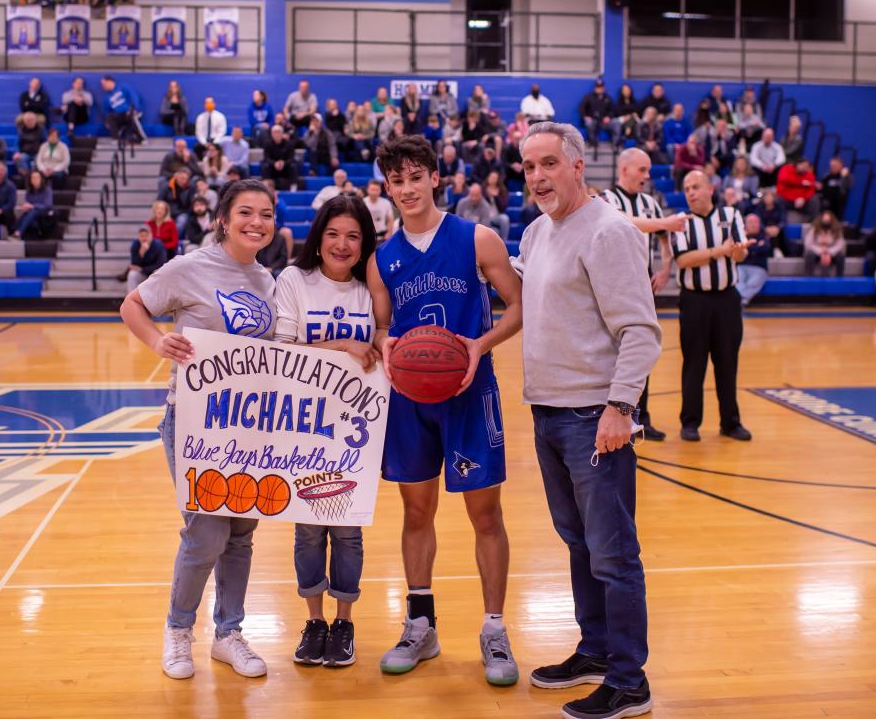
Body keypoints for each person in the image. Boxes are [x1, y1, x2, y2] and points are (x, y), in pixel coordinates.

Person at [514, 121, 660, 719]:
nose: (538, 177)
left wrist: (620, 407)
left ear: (577, 166)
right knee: (579, 544)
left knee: (614, 552)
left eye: (549, 163)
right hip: (547, 411)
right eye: (529, 167)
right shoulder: (535, 232)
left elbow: (640, 331)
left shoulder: (609, 231)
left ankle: (630, 680)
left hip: (593, 415)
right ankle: (597, 650)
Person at [367, 135, 523, 686]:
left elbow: (519, 307)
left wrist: (479, 345)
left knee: (485, 516)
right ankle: (421, 624)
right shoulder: (382, 258)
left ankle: (495, 629)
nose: (407, 190)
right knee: (416, 513)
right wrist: (386, 343)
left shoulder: (477, 239)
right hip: (411, 400)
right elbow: (383, 326)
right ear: (387, 189)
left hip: (470, 392)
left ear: (436, 177)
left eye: (415, 177)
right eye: (396, 181)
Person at [120, 179, 277, 682]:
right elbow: (133, 305)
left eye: (267, 214)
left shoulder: (270, 281)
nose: (257, 222)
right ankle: (177, 629)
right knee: (205, 530)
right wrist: (157, 340)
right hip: (192, 419)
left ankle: (228, 634)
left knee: (241, 532)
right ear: (223, 220)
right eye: (246, 213)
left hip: (251, 423)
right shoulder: (191, 266)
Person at [273, 194, 379, 667]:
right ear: (318, 238)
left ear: (364, 243)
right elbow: (284, 353)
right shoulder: (294, 280)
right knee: (310, 531)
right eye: (333, 233)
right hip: (304, 429)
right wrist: (344, 345)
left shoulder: (370, 287)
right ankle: (314, 621)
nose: (342, 244)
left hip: (356, 430)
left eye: (353, 236)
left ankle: (344, 623)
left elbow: (381, 347)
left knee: (349, 533)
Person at [601, 147, 684, 442]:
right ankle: (613, 413)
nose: (648, 176)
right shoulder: (606, 200)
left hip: (642, 288)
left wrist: (665, 268)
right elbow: (627, 223)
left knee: (641, 352)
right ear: (624, 170)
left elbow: (665, 239)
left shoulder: (651, 202)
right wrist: (666, 223)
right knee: (615, 354)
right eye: (643, 170)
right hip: (612, 287)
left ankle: (642, 416)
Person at [673, 171, 754, 442]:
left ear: (710, 188)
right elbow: (684, 260)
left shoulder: (731, 216)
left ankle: (730, 423)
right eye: (687, 188)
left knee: (728, 362)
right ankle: (690, 423)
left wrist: (739, 250)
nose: (691, 192)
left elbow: (740, 253)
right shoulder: (682, 222)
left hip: (727, 300)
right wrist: (720, 251)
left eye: (696, 186)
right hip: (694, 301)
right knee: (694, 363)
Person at [100, 75, 146, 144]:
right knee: (110, 118)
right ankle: (116, 139)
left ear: (110, 81)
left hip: (130, 112)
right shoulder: (107, 98)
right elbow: (107, 112)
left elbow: (134, 97)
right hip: (119, 116)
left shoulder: (123, 87)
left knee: (131, 115)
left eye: (104, 84)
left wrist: (135, 108)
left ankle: (143, 139)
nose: (103, 86)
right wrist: (107, 120)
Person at [736, 213, 770, 306]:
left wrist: (747, 249)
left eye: (755, 222)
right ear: (745, 224)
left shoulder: (764, 236)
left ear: (760, 224)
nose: (753, 224)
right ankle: (743, 299)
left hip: (759, 267)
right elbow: (736, 250)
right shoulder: (739, 236)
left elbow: (765, 249)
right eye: (750, 222)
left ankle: (740, 299)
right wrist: (755, 248)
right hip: (741, 266)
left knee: (754, 282)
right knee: (737, 280)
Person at [12, 169, 54, 240]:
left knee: (33, 211)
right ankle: (16, 230)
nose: (35, 180)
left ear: (41, 179)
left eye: (37, 178)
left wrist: (33, 206)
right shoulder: (29, 192)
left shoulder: (47, 190)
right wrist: (26, 206)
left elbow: (48, 205)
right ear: (30, 180)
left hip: (46, 212)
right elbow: (29, 203)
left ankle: (18, 232)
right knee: (30, 213)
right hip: (33, 213)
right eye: (33, 178)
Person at [125, 226, 167, 292]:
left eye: (146, 235)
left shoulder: (158, 245)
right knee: (132, 274)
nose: (144, 238)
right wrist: (141, 253)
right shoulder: (135, 244)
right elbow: (134, 265)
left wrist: (143, 269)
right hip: (143, 274)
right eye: (142, 236)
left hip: (153, 273)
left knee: (157, 272)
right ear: (138, 236)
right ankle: (131, 299)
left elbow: (161, 264)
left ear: (151, 235)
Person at [803, 211, 845, 276]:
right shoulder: (814, 229)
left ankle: (839, 279)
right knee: (809, 255)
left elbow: (840, 244)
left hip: (831, 252)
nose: (826, 222)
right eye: (824, 220)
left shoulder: (837, 230)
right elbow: (808, 244)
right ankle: (808, 278)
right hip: (817, 251)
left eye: (828, 220)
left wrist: (829, 252)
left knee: (840, 256)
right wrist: (821, 251)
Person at [579, 79, 617, 149]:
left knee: (616, 123)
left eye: (601, 87)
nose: (599, 89)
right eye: (598, 87)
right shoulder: (589, 97)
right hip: (593, 120)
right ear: (595, 88)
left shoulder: (608, 98)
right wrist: (585, 117)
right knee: (589, 123)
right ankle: (593, 143)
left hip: (604, 121)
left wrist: (608, 117)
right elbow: (581, 108)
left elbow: (613, 110)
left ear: (604, 88)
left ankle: (615, 144)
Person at [262, 125, 299, 191]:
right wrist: (274, 163)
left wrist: (284, 163)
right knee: (265, 165)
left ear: (282, 133)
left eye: (278, 132)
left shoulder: (289, 144)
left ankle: (293, 187)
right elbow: (266, 157)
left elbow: (291, 158)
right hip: (273, 167)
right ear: (271, 134)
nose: (276, 134)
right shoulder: (267, 144)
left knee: (294, 165)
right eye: (274, 132)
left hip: (285, 167)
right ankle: (265, 187)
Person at [159, 168, 195, 234]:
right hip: (167, 212)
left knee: (181, 221)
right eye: (182, 178)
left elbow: (191, 204)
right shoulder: (167, 186)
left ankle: (175, 239)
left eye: (186, 179)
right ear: (177, 176)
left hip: (182, 212)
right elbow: (160, 200)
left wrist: (187, 213)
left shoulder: (190, 188)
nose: (183, 180)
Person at [753, 188, 788, 257]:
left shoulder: (779, 206)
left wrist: (778, 228)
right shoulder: (759, 207)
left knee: (778, 232)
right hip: (764, 230)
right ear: (763, 198)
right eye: (766, 197)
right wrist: (765, 229)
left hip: (777, 231)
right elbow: (758, 221)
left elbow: (783, 220)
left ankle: (777, 249)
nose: (768, 199)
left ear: (773, 197)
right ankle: (772, 251)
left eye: (770, 196)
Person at [818, 156, 854, 220]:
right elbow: (821, 188)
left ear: (841, 165)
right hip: (826, 204)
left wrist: (843, 178)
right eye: (831, 165)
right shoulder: (827, 176)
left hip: (838, 205)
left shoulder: (847, 177)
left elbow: (843, 190)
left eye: (835, 165)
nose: (832, 167)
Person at [482, 170, 510, 240]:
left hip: (497, 215)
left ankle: (504, 242)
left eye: (495, 178)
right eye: (491, 177)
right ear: (488, 178)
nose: (492, 179)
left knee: (505, 218)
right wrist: (487, 195)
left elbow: (503, 207)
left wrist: (496, 196)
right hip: (484, 216)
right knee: (495, 231)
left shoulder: (502, 190)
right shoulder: (482, 189)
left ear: (498, 180)